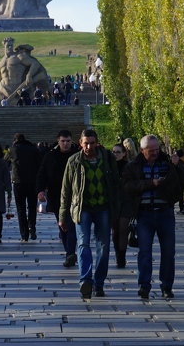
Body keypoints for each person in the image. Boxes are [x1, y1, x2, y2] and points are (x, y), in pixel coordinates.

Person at [59, 129, 121, 300]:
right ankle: (85, 280)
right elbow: (66, 190)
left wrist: (117, 210)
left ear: (97, 142)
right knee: (83, 243)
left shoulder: (107, 159)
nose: (89, 146)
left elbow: (116, 185)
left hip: (103, 208)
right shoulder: (74, 161)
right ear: (80, 143)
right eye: (86, 143)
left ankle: (99, 283)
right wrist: (63, 216)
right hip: (83, 208)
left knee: (103, 246)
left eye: (92, 143)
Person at [123, 134, 182, 300]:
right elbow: (127, 186)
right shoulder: (133, 166)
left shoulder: (167, 163)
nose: (155, 152)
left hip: (165, 212)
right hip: (144, 213)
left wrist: (178, 166)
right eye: (151, 150)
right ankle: (144, 285)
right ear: (142, 151)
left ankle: (167, 286)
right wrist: (151, 184)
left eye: (157, 149)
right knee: (145, 252)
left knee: (168, 251)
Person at [36, 129, 80, 266]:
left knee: (72, 225)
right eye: (63, 141)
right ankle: (69, 251)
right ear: (58, 141)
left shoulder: (77, 155)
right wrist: (40, 190)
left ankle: (70, 253)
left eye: (68, 141)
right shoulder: (50, 156)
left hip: (75, 196)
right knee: (63, 225)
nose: (65, 144)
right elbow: (42, 174)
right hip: (57, 196)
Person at [9, 133, 40, 241]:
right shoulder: (34, 149)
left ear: (15, 140)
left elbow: (5, 160)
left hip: (18, 182)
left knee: (21, 209)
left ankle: (24, 234)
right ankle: (32, 226)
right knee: (32, 207)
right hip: (32, 182)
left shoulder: (13, 149)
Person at [110, 142, 131, 268]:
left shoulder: (129, 167)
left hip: (126, 201)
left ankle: (122, 256)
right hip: (112, 202)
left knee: (123, 229)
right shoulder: (108, 166)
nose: (115, 154)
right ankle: (118, 253)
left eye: (118, 152)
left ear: (124, 154)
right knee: (115, 231)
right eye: (113, 151)